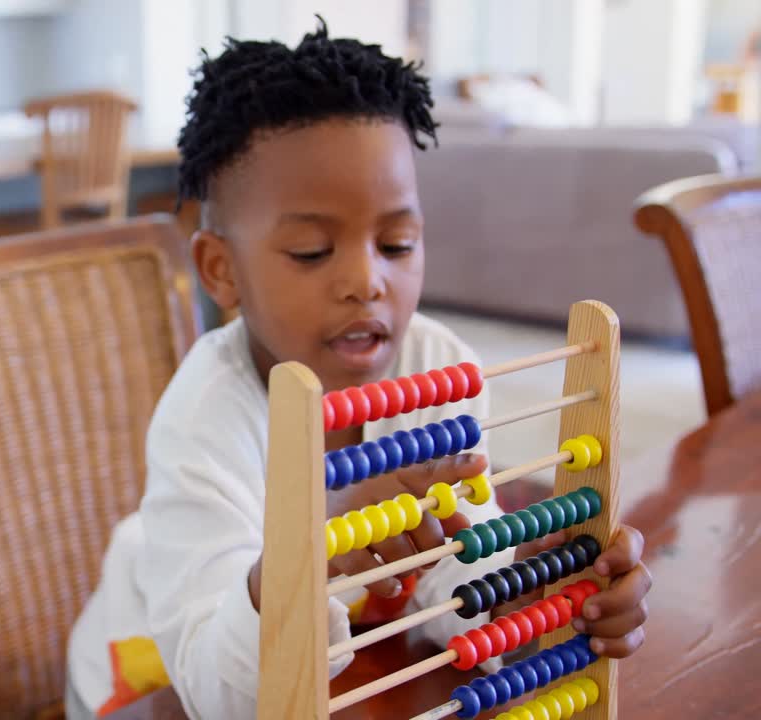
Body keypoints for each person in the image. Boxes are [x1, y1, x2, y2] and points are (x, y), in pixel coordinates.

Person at [65, 20, 652, 720]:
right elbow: (217, 697)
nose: (366, 282)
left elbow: (455, 572)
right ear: (221, 270)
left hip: (350, 667)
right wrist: (307, 556)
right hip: (154, 674)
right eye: (312, 252)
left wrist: (536, 589)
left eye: (397, 243)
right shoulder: (203, 423)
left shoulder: (439, 369)